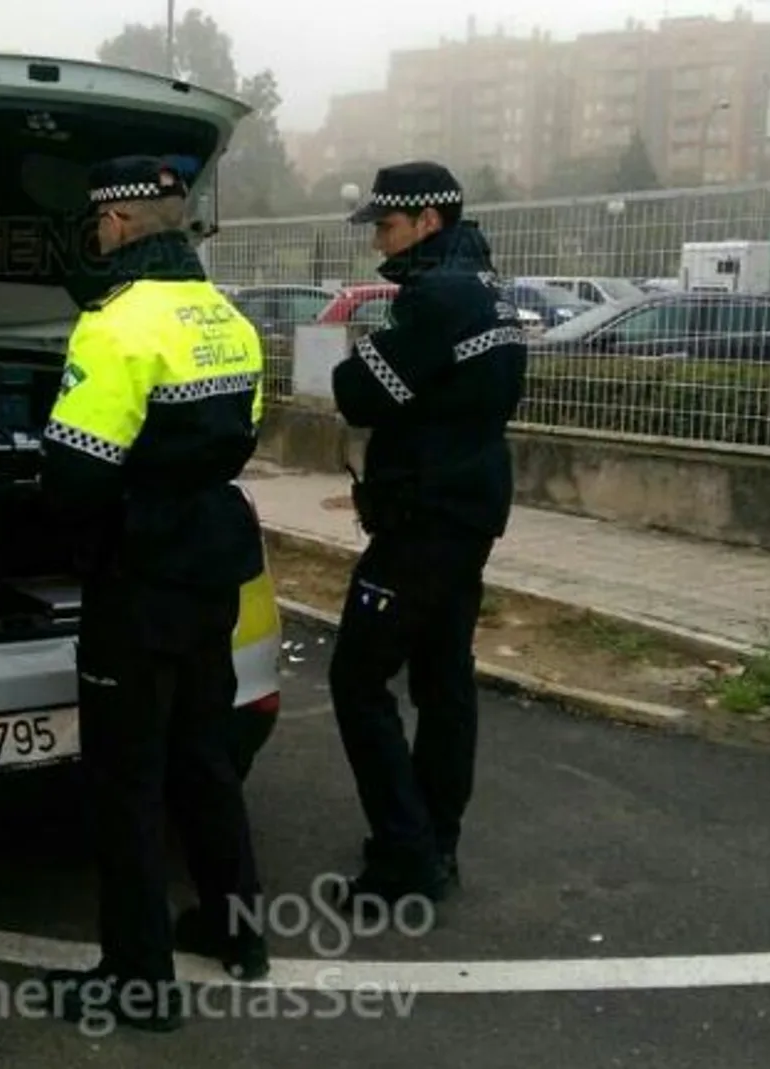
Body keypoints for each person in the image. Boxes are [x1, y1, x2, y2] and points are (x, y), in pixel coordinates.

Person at [36, 155, 272, 1032]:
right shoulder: (231, 319)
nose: (97, 236)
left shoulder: (113, 325)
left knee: (127, 782)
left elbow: (74, 475)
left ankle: (138, 979)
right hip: (211, 571)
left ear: (125, 223)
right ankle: (236, 929)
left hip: (136, 584)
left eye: (100, 223)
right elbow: (242, 438)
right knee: (204, 756)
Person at [324, 161, 528, 910]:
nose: (378, 238)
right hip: (467, 509)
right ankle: (436, 840)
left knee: (356, 679)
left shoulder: (436, 297)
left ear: (427, 221)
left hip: (424, 517)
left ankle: (407, 855)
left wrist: (355, 359)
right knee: (443, 681)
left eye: (385, 224)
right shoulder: (486, 289)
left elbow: (358, 394)